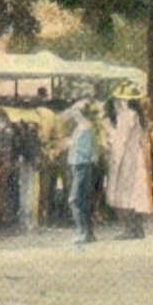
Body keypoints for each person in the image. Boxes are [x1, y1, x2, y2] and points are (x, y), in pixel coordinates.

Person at [105, 82, 153, 240]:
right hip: (136, 158)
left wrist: (110, 147)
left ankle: (130, 229)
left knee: (125, 193)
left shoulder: (125, 116)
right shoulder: (136, 114)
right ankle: (137, 228)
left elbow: (120, 141)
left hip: (127, 159)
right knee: (136, 194)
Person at [66, 100, 100, 245]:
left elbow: (86, 152)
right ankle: (88, 233)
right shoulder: (82, 128)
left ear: (80, 113)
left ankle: (83, 232)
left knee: (75, 200)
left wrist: (70, 144)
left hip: (82, 166)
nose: (73, 116)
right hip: (79, 166)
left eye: (75, 113)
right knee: (83, 200)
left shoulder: (85, 129)